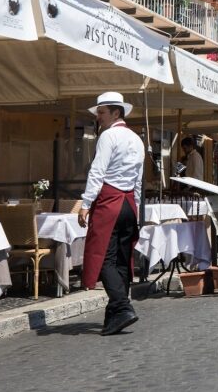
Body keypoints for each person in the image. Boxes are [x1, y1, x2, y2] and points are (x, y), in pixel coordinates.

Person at [79, 92, 144, 336]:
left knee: (103, 256)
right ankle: (114, 315)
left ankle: (122, 306)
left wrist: (86, 204)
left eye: (102, 112)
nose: (98, 117)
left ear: (116, 113)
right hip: (128, 202)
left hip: (110, 201)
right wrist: (135, 207)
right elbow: (138, 179)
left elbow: (97, 171)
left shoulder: (108, 136)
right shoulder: (136, 139)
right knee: (122, 259)